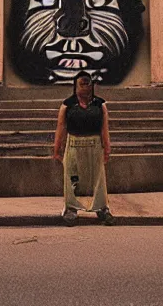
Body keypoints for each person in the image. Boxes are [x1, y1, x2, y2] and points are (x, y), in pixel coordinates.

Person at [53, 71, 114, 226]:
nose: (85, 87)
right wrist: (57, 148)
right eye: (82, 84)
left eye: (88, 83)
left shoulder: (100, 104)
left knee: (99, 179)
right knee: (71, 178)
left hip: (94, 144)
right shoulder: (67, 105)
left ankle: (102, 209)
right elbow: (61, 127)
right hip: (73, 143)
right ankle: (71, 209)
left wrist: (107, 148)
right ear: (76, 85)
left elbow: (104, 128)